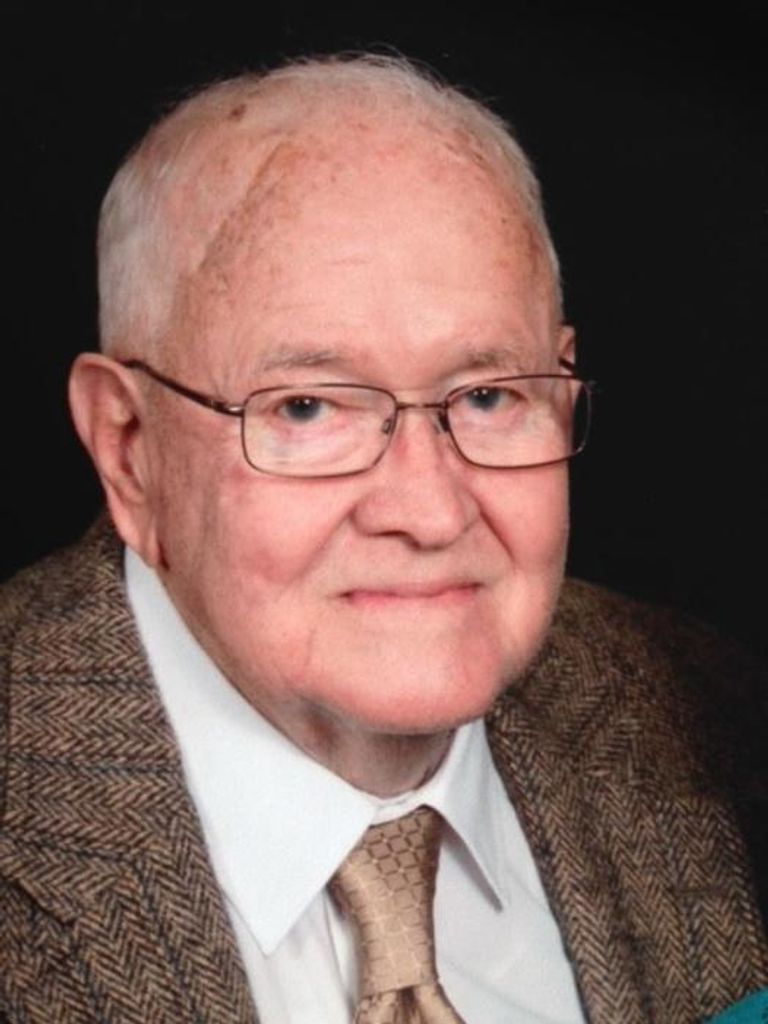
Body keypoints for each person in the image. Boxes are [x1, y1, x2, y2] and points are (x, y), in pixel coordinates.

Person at [0, 55, 765, 1024]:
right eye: (308, 407)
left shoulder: (715, 717)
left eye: (488, 396)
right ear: (128, 446)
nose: (429, 511)